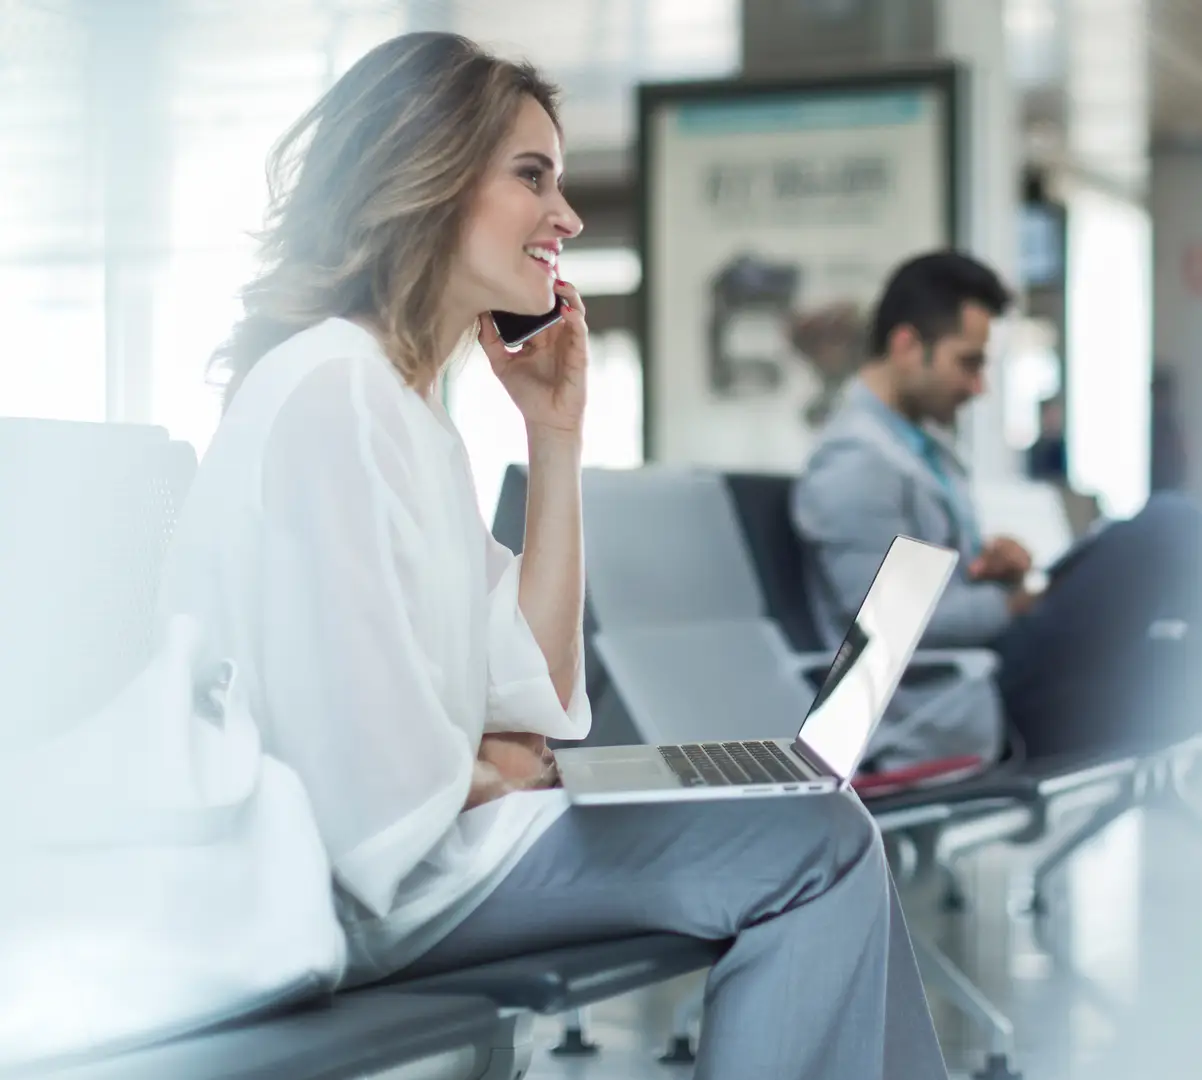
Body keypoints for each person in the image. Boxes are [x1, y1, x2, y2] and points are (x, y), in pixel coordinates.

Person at [155, 33, 946, 1080]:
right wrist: (483, 769)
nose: (565, 219)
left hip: (434, 860)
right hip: (382, 888)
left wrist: (555, 436)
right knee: (817, 841)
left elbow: (542, 690)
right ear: (425, 176)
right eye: (532, 177)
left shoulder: (402, 411)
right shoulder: (332, 394)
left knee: (818, 824)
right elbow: (369, 793)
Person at [792, 250, 1202, 1018]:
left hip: (1007, 670)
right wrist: (1012, 605)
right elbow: (871, 641)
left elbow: (918, 586)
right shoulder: (852, 465)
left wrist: (992, 574)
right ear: (908, 344)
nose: (979, 386)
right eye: (969, 363)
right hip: (977, 708)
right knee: (1170, 525)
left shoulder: (913, 448)